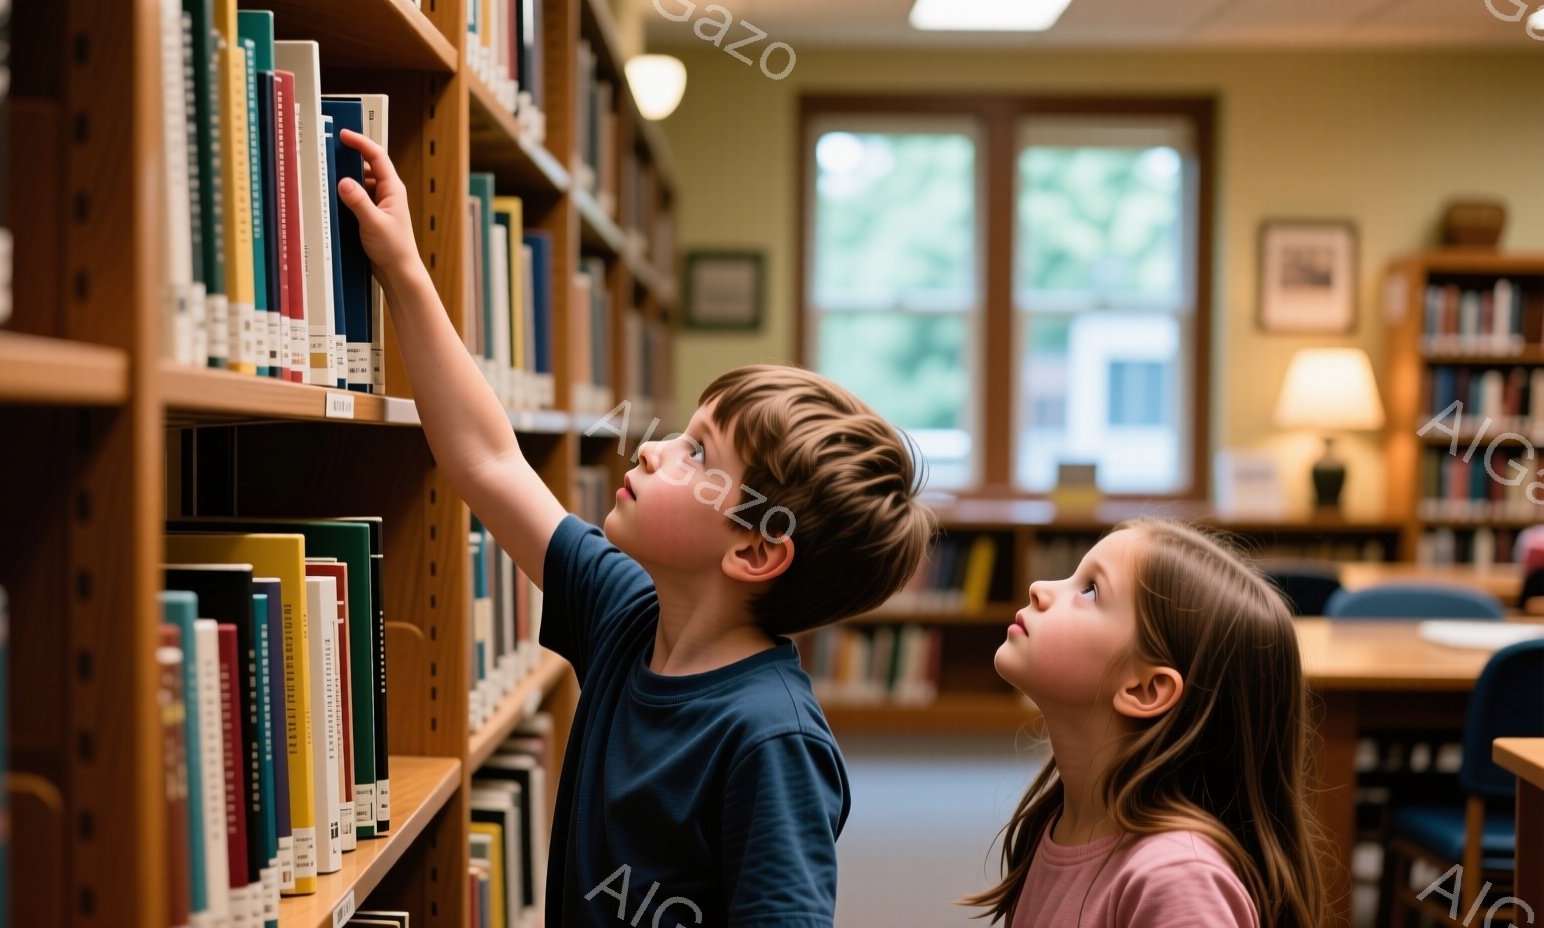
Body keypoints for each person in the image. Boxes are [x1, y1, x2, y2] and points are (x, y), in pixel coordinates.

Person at [336, 128, 935, 927]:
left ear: (756, 550)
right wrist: (404, 268)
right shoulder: (626, 615)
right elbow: (487, 461)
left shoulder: (771, 741)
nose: (651, 448)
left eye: (697, 453)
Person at [962, 519, 1329, 927]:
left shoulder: (1177, 879)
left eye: (1089, 590)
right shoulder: (1057, 827)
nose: (1040, 588)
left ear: (1146, 690)